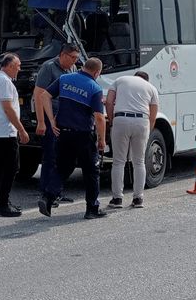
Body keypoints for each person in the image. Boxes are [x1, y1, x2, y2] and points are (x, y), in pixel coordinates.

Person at [37, 57, 107, 219]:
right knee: (91, 171)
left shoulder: (65, 78)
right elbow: (99, 117)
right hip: (83, 135)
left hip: (63, 132)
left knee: (62, 167)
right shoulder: (94, 88)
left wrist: (52, 118)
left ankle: (48, 197)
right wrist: (102, 139)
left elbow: (44, 96)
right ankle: (92, 209)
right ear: (97, 72)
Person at [33, 44, 81, 205]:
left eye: (77, 58)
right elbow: (39, 95)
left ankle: (57, 191)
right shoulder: (48, 68)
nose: (75, 61)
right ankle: (46, 192)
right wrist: (41, 122)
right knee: (50, 155)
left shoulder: (72, 67)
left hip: (64, 118)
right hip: (49, 117)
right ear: (63, 55)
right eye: (73, 57)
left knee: (62, 156)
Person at [105, 71, 159, 208]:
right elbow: (153, 115)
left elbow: (109, 102)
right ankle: (138, 198)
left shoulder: (120, 79)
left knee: (118, 162)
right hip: (141, 122)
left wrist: (112, 121)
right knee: (139, 162)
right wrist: (148, 130)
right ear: (146, 79)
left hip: (121, 119)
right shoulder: (151, 88)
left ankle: (117, 199)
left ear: (135, 76)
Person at [0, 53, 29, 217]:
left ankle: (2, 201)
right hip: (5, 131)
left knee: (0, 167)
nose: (19, 69)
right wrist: (21, 129)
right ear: (10, 65)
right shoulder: (4, 81)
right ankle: (2, 203)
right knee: (11, 168)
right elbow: (8, 108)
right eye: (18, 66)